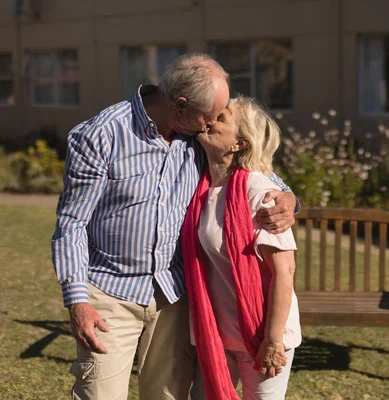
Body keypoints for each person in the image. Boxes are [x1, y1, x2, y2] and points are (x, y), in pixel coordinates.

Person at [51, 53, 298, 400]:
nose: (212, 125)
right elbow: (72, 224)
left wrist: (288, 198)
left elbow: (252, 169)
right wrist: (78, 300)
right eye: (210, 117)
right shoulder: (101, 135)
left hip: (174, 294)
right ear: (180, 106)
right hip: (109, 293)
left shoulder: (196, 135)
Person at [182, 97, 301, 400]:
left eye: (220, 118)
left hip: (262, 335)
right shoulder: (203, 186)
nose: (208, 120)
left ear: (240, 144)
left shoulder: (259, 193)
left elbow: (284, 272)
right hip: (217, 332)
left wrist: (273, 341)